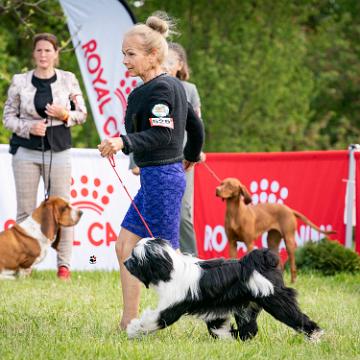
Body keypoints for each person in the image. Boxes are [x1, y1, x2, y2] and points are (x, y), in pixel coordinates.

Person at [98, 12, 204, 330]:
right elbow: (194, 126)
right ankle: (128, 319)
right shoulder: (171, 86)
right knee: (124, 247)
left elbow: (161, 134)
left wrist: (123, 141)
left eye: (130, 54)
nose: (125, 60)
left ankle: (210, 307)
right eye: (123, 54)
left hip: (161, 180)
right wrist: (191, 154)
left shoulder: (160, 90)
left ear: (152, 54)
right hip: (156, 178)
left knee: (167, 259)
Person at [2, 33, 87, 280]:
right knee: (25, 210)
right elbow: (7, 117)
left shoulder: (68, 79)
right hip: (26, 150)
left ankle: (64, 266)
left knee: (64, 209)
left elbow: (81, 114)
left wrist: (64, 115)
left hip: (59, 150)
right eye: (39, 50)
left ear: (56, 53)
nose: (43, 55)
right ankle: (23, 267)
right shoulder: (19, 81)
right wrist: (28, 127)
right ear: (33, 54)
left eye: (48, 50)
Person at [165, 42, 205, 256]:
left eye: (171, 62)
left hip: (184, 160)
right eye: (163, 61)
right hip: (158, 158)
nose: (166, 66)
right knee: (160, 211)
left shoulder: (190, 90)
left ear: (180, 65)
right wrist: (135, 160)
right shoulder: (152, 88)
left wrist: (195, 152)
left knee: (182, 213)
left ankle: (193, 262)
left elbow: (197, 125)